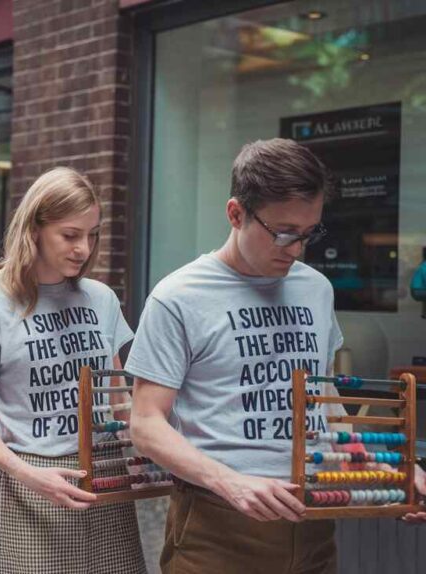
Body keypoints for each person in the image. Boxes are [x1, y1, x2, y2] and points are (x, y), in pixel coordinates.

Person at [126, 139, 426, 574]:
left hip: (313, 522)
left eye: (308, 234)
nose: (297, 249)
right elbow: (146, 423)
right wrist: (229, 482)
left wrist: (392, 472)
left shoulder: (316, 290)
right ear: (235, 213)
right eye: (284, 233)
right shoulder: (177, 298)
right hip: (217, 527)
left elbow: (329, 411)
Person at [0, 167, 145, 573]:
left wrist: (156, 446)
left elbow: (117, 399)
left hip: (107, 474)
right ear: (35, 229)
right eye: (70, 234)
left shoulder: (101, 299)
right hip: (32, 479)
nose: (83, 247)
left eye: (92, 234)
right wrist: (29, 476)